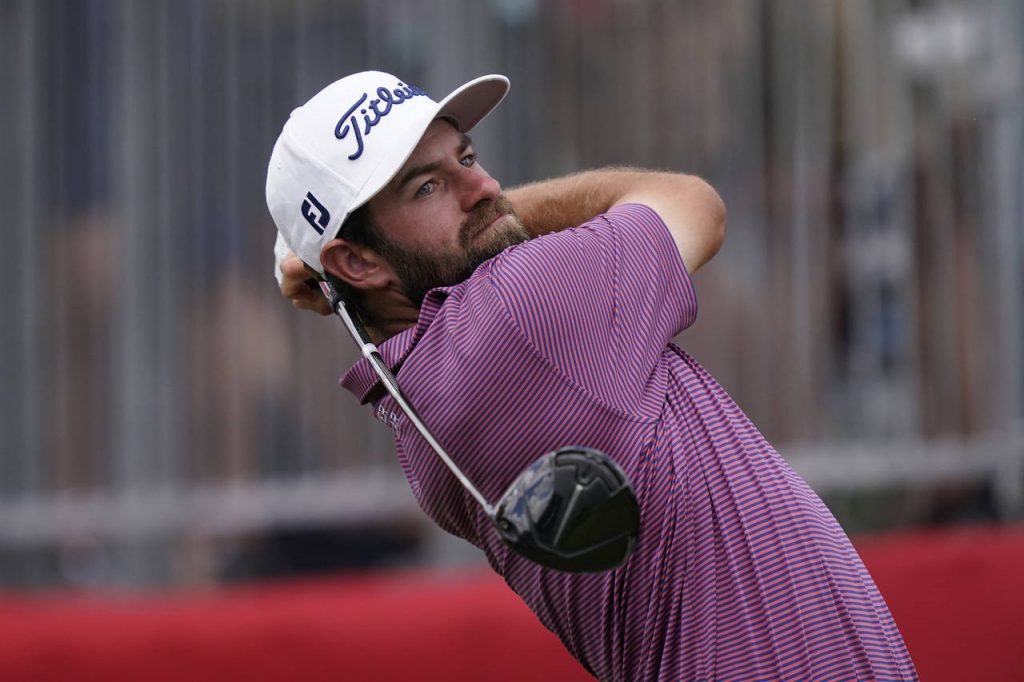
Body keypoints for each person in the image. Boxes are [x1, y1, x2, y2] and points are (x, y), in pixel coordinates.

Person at [266, 71, 918, 681]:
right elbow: (695, 203)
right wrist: (498, 214)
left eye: (467, 158)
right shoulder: (520, 309)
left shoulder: (417, 406)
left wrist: (342, 275)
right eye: (426, 188)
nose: (484, 187)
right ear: (358, 262)